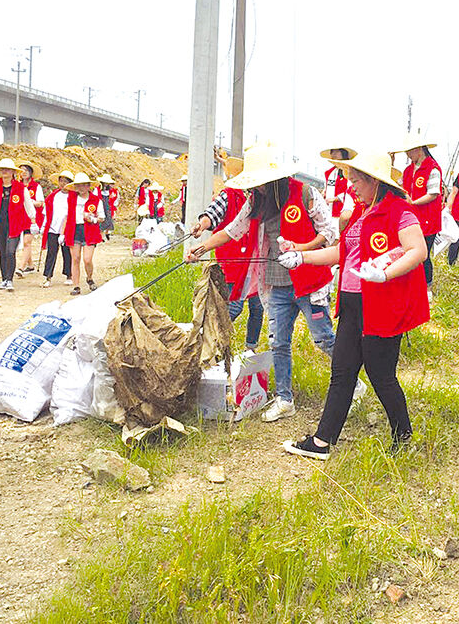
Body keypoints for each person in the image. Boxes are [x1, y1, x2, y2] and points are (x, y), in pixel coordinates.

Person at [279, 150, 428, 459]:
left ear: (374, 181)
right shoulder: (362, 212)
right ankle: (322, 442)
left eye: (356, 180)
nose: (352, 187)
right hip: (351, 302)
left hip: (381, 303)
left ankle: (403, 435)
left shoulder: (399, 210)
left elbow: (418, 250)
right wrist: (301, 257)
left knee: (380, 373)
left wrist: (385, 274)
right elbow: (341, 255)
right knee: (343, 371)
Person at [187, 143, 337, 422]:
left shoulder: (304, 193)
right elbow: (232, 231)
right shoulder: (255, 202)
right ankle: (284, 398)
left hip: (308, 279)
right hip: (277, 284)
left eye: (260, 184)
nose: (256, 189)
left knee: (323, 338)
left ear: (274, 178)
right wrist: (202, 248)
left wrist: (302, 249)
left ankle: (351, 381)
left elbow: (329, 232)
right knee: (279, 342)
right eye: (253, 184)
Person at [190, 156, 264, 351]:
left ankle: (251, 348)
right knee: (234, 307)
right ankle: (211, 341)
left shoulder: (258, 198)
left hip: (255, 263)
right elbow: (211, 214)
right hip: (233, 263)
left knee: (257, 306)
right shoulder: (228, 195)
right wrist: (202, 224)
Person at [398, 134, 443, 295]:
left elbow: (433, 193)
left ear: (419, 150)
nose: (408, 156)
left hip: (428, 219)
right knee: (410, 252)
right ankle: (413, 285)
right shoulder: (408, 170)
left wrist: (413, 202)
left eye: (410, 152)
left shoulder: (433, 168)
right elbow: (399, 187)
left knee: (423, 254)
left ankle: (428, 287)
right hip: (410, 219)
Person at [0, 159, 36, 291]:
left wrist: (33, 222)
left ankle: (10, 279)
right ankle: (3, 279)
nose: (4, 171)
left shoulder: (20, 188)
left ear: (12, 172)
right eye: (2, 169)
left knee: (10, 251)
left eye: (7, 169)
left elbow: (28, 207)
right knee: (2, 253)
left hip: (14, 224)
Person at [62, 172, 105, 295]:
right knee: (75, 258)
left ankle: (89, 277)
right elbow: (66, 216)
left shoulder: (96, 200)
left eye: (84, 185)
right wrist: (62, 233)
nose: (81, 188)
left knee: (87, 259)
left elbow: (102, 217)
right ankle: (76, 286)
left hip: (90, 230)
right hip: (74, 230)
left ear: (88, 186)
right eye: (78, 185)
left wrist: (92, 219)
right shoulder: (70, 199)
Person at [40, 169, 74, 288]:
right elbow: (47, 212)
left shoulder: (73, 197)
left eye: (65, 181)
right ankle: (48, 276)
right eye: (61, 181)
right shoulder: (52, 196)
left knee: (67, 253)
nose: (63, 184)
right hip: (53, 229)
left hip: (67, 230)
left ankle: (69, 275)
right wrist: (44, 226)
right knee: (51, 253)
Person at [15, 160, 45, 278]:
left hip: (32, 218)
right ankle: (31, 265)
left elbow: (41, 203)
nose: (24, 173)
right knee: (24, 241)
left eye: (26, 170)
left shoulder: (36, 187)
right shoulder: (17, 185)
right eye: (22, 170)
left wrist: (31, 202)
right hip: (19, 217)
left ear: (31, 173)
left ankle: (21, 268)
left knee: (27, 242)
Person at [320, 147, 356, 223]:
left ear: (344, 153)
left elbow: (353, 190)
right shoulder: (329, 173)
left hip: (346, 214)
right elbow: (326, 188)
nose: (333, 154)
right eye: (332, 151)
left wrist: (336, 198)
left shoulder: (353, 172)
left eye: (336, 151)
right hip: (329, 214)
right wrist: (324, 193)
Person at [97, 174, 116, 241]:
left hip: (107, 206)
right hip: (101, 205)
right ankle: (100, 236)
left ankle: (104, 234)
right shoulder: (98, 189)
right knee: (102, 220)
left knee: (108, 219)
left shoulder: (109, 190)